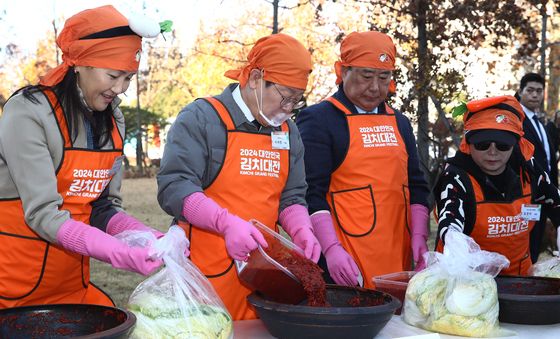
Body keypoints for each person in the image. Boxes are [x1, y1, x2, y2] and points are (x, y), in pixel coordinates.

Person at [0, 5, 172, 309]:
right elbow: (43, 213)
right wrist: (116, 252)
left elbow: (102, 207)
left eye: (129, 78)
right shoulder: (28, 112)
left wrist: (146, 236)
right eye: (113, 75)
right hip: (12, 290)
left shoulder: (113, 119)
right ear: (80, 63)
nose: (120, 89)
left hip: (72, 286)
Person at [157, 33, 321, 320]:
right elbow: (175, 187)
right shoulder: (203, 118)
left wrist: (301, 231)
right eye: (284, 97)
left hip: (264, 278)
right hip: (204, 277)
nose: (288, 109)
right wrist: (225, 223)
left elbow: (291, 197)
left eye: (296, 101)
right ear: (256, 78)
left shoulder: (287, 132)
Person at [296, 31, 431, 288]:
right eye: (366, 76)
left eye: (384, 77)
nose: (375, 88)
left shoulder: (400, 123)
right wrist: (331, 248)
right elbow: (310, 192)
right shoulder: (319, 119)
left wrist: (420, 236)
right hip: (344, 263)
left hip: (397, 260)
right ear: (344, 71)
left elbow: (417, 185)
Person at [434, 95, 560, 275]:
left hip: (519, 279)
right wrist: (454, 241)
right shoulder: (456, 176)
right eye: (483, 144)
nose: (492, 152)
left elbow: (555, 201)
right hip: (468, 281)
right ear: (469, 144)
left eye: (503, 145)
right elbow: (450, 219)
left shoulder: (528, 169)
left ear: (514, 145)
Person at [516, 72, 558, 262]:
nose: (535, 95)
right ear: (520, 91)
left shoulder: (541, 123)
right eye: (530, 90)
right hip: (525, 196)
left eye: (539, 91)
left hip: (546, 195)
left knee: (537, 246)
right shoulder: (516, 121)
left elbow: (548, 160)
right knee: (524, 246)